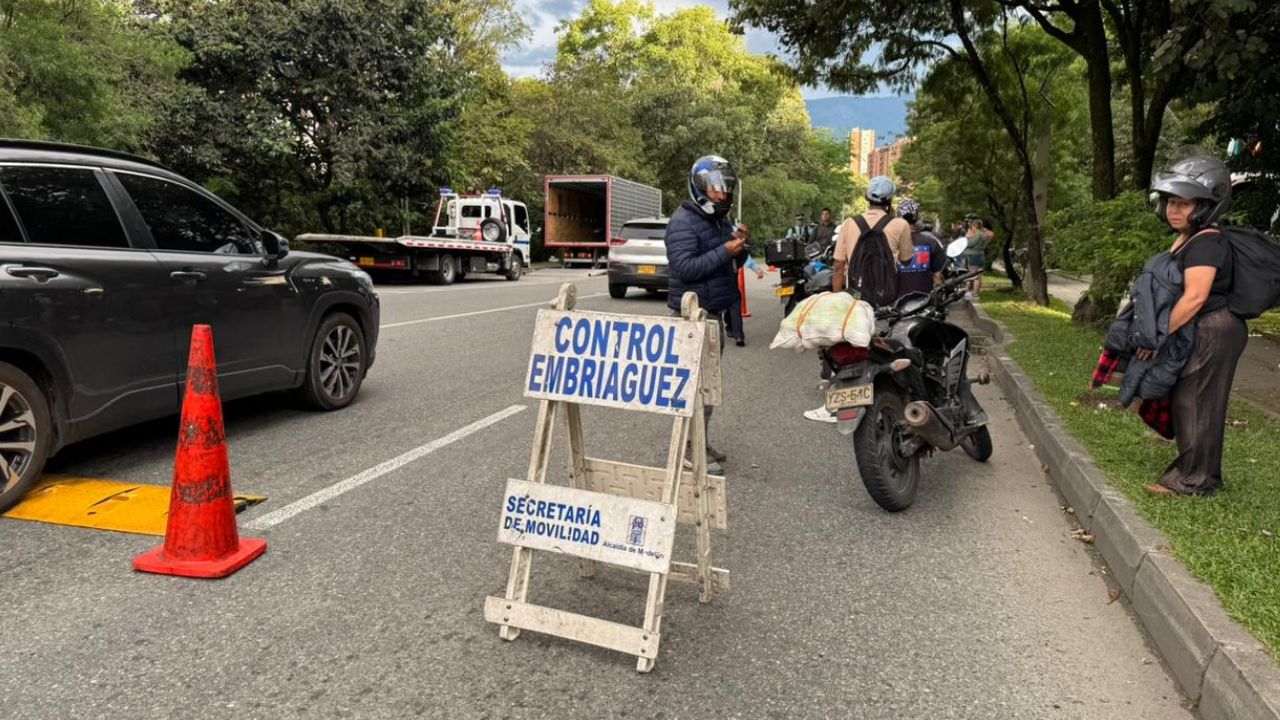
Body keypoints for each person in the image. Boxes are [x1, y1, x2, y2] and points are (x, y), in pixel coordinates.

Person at [1142, 153, 1246, 497]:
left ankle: (1195, 481)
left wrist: (1158, 335)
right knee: (1189, 399)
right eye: (1171, 201)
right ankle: (1197, 472)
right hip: (1205, 329)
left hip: (1214, 329)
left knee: (1198, 401)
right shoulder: (1190, 238)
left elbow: (1194, 298)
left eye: (1184, 204)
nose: (1174, 210)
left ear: (1205, 206)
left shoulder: (1207, 241)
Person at [805, 176, 914, 422]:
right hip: (888, 298)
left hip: (856, 297)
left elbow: (839, 265)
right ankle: (895, 395)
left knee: (848, 345)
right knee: (890, 343)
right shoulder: (900, 224)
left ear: (867, 198)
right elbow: (906, 259)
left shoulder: (850, 224)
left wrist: (836, 300)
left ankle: (837, 403)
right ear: (889, 200)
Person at [665, 154, 749, 474]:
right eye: (715, 189)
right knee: (691, 389)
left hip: (714, 316)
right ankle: (687, 450)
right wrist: (722, 251)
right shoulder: (683, 222)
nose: (721, 195)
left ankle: (700, 440)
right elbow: (684, 268)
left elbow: (730, 266)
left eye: (725, 190)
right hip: (691, 317)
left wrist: (741, 246)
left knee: (708, 389)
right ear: (699, 188)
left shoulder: (718, 221)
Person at [895, 199, 947, 298]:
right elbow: (937, 276)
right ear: (917, 217)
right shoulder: (931, 242)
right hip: (924, 302)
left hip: (896, 303)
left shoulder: (891, 243)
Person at [964, 217, 992, 297]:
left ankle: (974, 293)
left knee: (974, 276)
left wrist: (967, 238)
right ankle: (976, 292)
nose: (971, 228)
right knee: (979, 275)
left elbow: (970, 244)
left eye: (972, 226)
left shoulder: (977, 235)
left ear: (975, 226)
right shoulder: (984, 235)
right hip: (981, 255)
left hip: (974, 255)